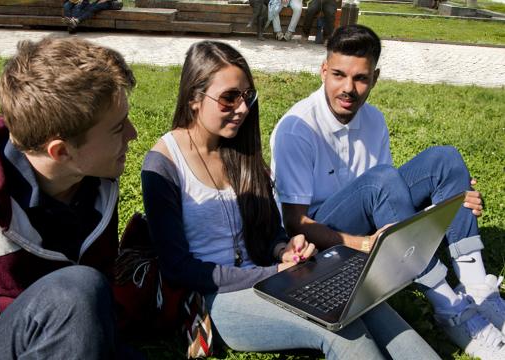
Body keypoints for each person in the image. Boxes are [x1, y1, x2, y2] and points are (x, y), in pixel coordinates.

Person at [141, 40, 441, 359]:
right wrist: (272, 274)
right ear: (194, 99)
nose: (242, 108)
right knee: (341, 329)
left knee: (364, 304)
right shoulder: (163, 165)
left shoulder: (240, 149)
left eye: (247, 96)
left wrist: (283, 249)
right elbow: (179, 268)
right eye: (229, 97)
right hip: (218, 298)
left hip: (270, 276)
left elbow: (272, 230)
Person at [271, 24, 505, 360]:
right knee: (380, 178)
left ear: (375, 78)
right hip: (321, 243)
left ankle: (478, 288)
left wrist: (446, 205)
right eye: (338, 75)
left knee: (446, 159)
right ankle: (448, 306)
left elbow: (390, 199)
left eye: (361, 78)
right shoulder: (298, 128)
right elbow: (295, 222)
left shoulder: (374, 120)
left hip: (371, 216)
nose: (348, 88)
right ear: (323, 71)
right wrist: (365, 244)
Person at [0, 37, 142, 359]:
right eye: (118, 128)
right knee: (76, 289)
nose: (134, 134)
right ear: (61, 152)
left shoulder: (97, 184)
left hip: (71, 334)